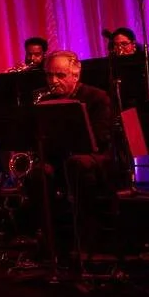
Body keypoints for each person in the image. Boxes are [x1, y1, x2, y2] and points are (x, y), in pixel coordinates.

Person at [27, 50, 113, 259]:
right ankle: (51, 238)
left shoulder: (96, 97)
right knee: (37, 174)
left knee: (77, 164)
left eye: (60, 75)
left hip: (92, 156)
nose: (53, 81)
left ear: (76, 74)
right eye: (49, 75)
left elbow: (101, 138)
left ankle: (86, 238)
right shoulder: (44, 99)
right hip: (58, 157)